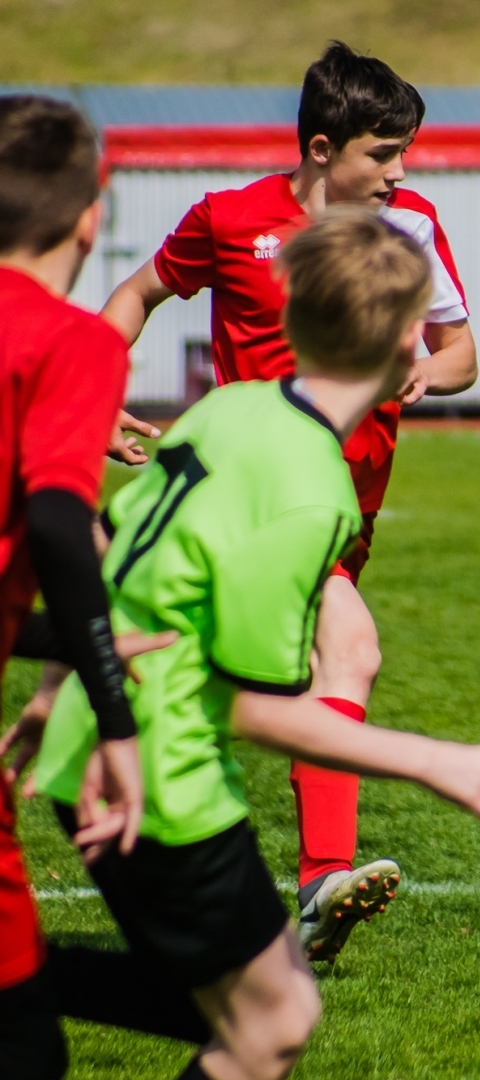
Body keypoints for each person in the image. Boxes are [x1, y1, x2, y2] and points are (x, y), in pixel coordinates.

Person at [29, 209, 480, 1080]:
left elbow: (109, 548)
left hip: (96, 735)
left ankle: (24, 986)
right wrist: (432, 760)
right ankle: (18, 987)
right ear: (412, 341)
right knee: (273, 1026)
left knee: (263, 1007)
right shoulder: (314, 491)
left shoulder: (229, 406)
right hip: (158, 774)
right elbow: (252, 706)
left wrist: (53, 690)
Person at [101, 40, 478, 962]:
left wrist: (431, 366)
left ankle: (158, 818)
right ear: (320, 149)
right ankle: (317, 878)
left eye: (404, 153)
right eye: (382, 154)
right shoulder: (230, 221)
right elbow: (137, 293)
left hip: (346, 506)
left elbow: (466, 352)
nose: (399, 174)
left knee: (261, 679)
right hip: (257, 489)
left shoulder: (415, 224)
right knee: (348, 649)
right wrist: (96, 395)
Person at [0, 93, 189, 1080]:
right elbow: (61, 530)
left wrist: (65, 644)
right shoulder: (68, 341)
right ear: (91, 212)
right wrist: (113, 717)